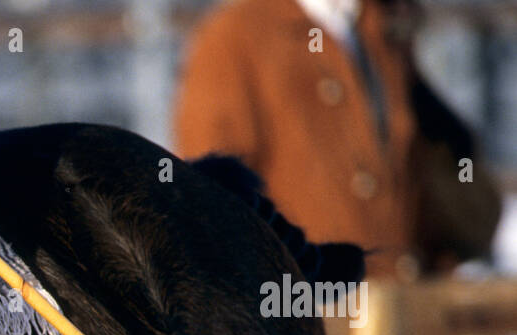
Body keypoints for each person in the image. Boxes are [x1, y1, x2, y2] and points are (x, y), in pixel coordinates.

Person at [174, 0, 501, 277]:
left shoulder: (382, 29)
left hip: (397, 317)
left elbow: (429, 172)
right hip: (305, 324)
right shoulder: (235, 38)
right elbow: (213, 204)